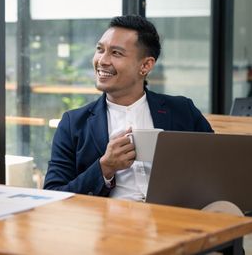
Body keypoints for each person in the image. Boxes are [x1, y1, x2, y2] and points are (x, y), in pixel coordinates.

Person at [43, 15, 213, 199]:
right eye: (100, 50)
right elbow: (53, 195)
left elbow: (216, 168)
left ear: (145, 66)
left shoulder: (182, 110)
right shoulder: (73, 123)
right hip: (108, 222)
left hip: (173, 219)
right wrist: (105, 167)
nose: (102, 60)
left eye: (116, 53)